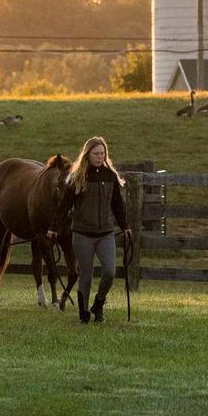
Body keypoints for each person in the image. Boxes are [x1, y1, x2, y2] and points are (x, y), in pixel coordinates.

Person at [47, 136, 131, 324]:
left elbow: (117, 204)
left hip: (106, 234)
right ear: (87, 155)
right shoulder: (77, 178)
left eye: (102, 153)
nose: (99, 157)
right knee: (86, 274)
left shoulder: (110, 177)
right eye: (96, 154)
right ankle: (84, 313)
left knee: (109, 272)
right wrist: (53, 227)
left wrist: (125, 226)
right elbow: (64, 206)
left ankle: (98, 304)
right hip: (82, 234)